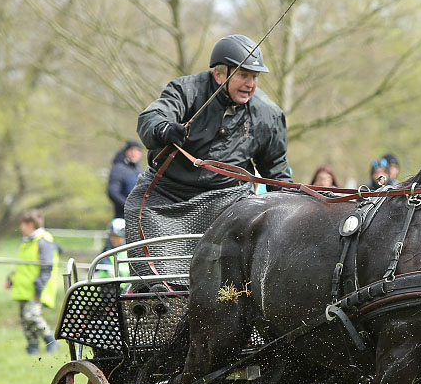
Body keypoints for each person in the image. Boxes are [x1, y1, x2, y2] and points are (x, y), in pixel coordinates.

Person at [124, 34, 293, 276]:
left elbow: (275, 169)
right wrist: (164, 129)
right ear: (218, 74)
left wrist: (293, 202)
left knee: (233, 277)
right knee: (159, 275)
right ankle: (156, 302)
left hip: (229, 200)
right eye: (243, 75)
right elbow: (151, 118)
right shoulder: (185, 90)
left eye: (255, 77)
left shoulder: (267, 114)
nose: (250, 84)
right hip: (167, 195)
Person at [4, 210, 61, 355]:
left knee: (32, 316)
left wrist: (38, 289)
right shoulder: (26, 242)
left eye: (22, 224)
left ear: (30, 224)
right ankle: (32, 347)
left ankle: (51, 340)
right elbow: (22, 266)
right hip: (23, 288)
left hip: (36, 289)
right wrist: (11, 279)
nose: (21, 227)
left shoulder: (43, 242)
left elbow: (46, 268)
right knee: (25, 320)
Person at [107, 140, 143, 219]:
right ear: (126, 152)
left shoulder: (140, 171)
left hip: (140, 217)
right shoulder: (118, 169)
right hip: (123, 218)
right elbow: (113, 193)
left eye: (137, 151)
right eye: (131, 150)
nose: (134, 153)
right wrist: (129, 206)